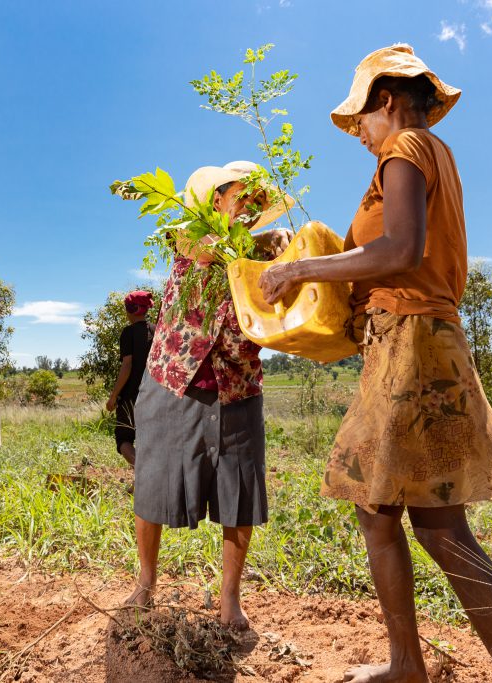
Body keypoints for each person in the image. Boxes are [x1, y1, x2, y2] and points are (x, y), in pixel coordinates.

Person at [258, 45, 492, 682]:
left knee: (440, 529)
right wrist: (301, 251)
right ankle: (406, 664)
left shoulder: (405, 148)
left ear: (385, 101)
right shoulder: (430, 154)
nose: (359, 133)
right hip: (409, 339)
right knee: (382, 511)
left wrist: (301, 270)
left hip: (412, 343)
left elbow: (402, 250)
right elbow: (376, 253)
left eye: (361, 119)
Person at [126, 160, 292, 630]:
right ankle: (145, 582)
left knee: (239, 493)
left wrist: (287, 260)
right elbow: (206, 249)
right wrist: (262, 240)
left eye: (258, 203)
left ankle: (230, 598)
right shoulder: (188, 235)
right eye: (243, 197)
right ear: (217, 200)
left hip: (238, 385)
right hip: (174, 381)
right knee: (152, 484)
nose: (250, 208)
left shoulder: (265, 259)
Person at [106, 290, 155, 467]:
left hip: (131, 397)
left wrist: (113, 397)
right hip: (155, 395)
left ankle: (143, 475)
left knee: (124, 439)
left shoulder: (128, 332)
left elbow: (127, 365)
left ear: (130, 310)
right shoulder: (157, 330)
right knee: (151, 440)